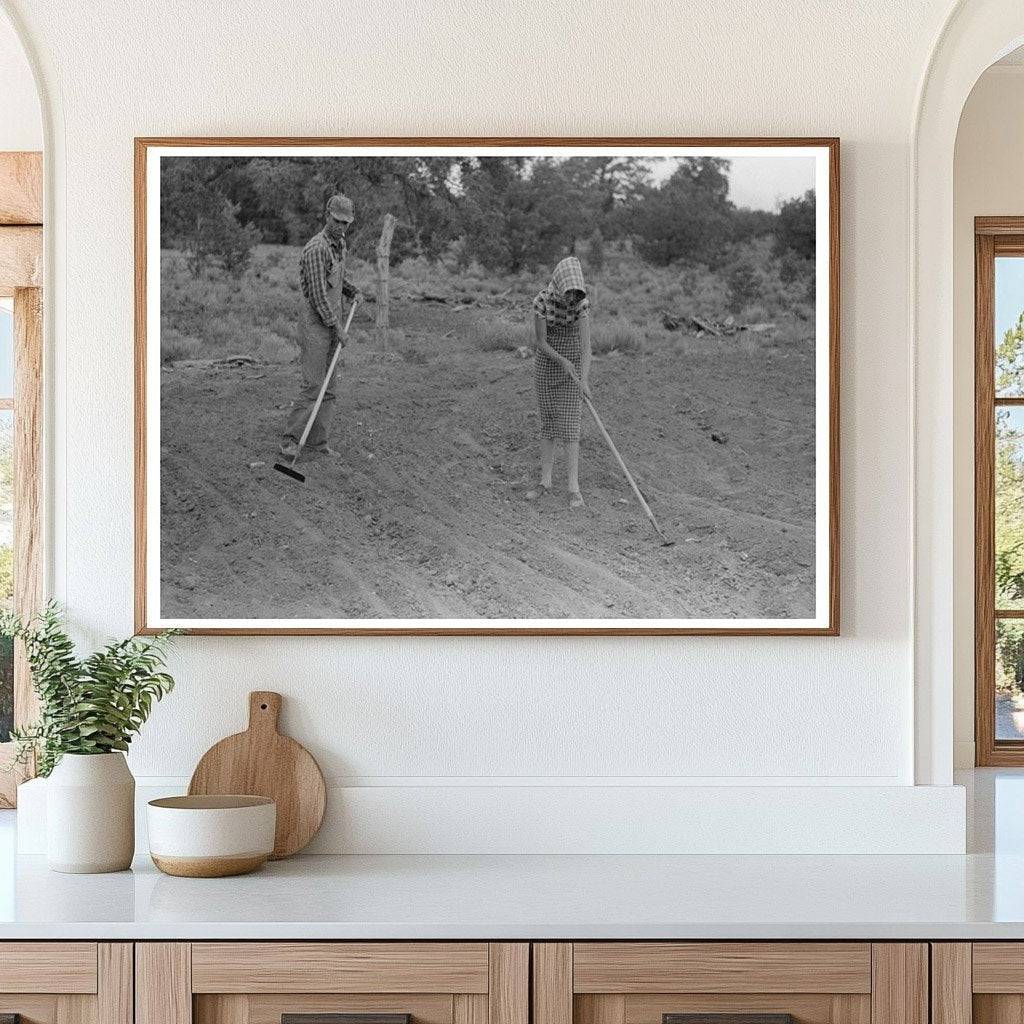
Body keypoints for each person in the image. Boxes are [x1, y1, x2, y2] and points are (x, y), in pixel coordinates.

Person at [279, 194, 363, 460]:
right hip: (316, 325)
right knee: (314, 384)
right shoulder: (317, 248)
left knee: (330, 387)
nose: (341, 227)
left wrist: (352, 290)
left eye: (346, 223)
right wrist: (338, 328)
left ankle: (317, 443)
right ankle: (290, 442)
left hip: (332, 321)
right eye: (337, 221)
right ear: (327, 215)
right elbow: (317, 295)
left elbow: (335, 279)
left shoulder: (339, 244)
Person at [527, 255, 592, 509]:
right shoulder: (541, 301)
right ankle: (545, 483)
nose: (572, 299)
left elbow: (587, 348)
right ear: (559, 284)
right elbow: (541, 342)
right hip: (547, 363)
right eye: (569, 293)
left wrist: (583, 379)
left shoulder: (581, 305)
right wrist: (561, 361)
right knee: (549, 422)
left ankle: (573, 488)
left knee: (571, 425)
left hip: (573, 368)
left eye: (576, 293)